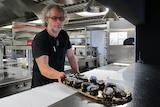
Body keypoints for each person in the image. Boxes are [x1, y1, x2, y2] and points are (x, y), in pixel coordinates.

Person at [31, 4, 79, 88]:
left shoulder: (63, 35)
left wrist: (77, 74)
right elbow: (44, 68)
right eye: (54, 18)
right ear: (46, 20)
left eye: (61, 18)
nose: (58, 21)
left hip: (59, 83)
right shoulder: (40, 39)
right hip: (41, 86)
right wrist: (59, 75)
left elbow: (71, 56)